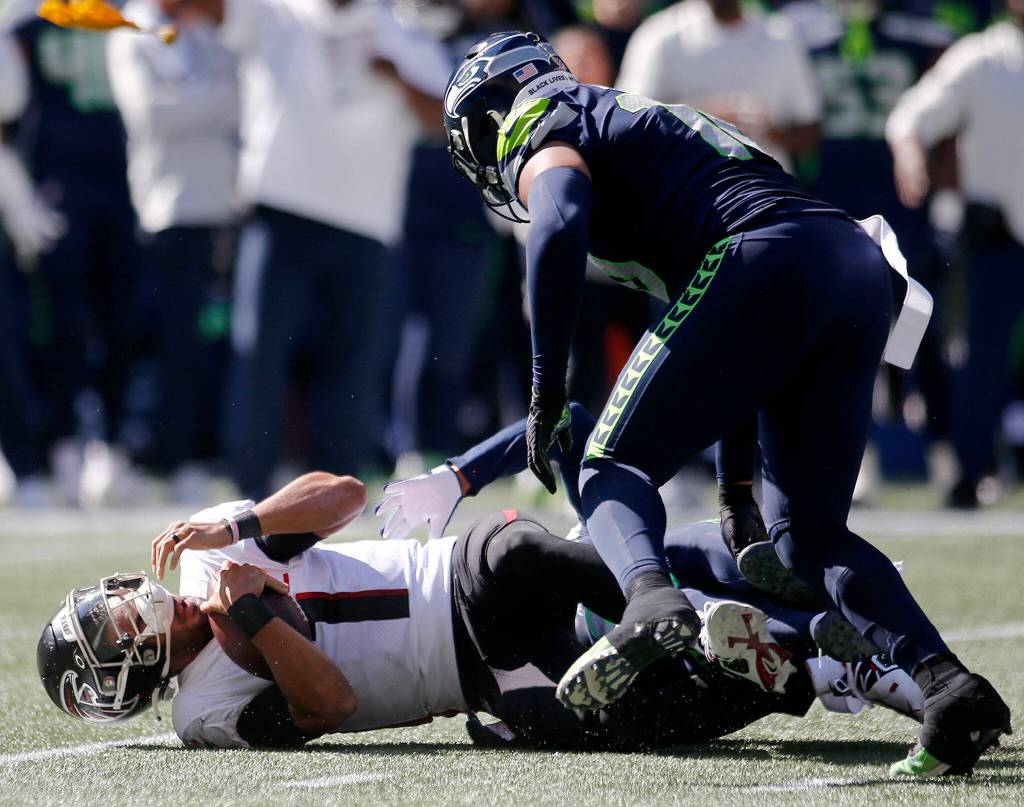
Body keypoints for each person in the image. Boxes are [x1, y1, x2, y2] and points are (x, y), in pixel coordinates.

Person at [441, 31, 1010, 775]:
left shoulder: (541, 115)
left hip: (762, 257)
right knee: (805, 536)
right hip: (849, 263)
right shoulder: (643, 121)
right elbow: (733, 336)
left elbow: (560, 213)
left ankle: (649, 600)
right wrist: (735, 486)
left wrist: (547, 379)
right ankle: (949, 689)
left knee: (612, 460)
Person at [37, 461, 923, 752]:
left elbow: (343, 494)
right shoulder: (205, 713)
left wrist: (246, 519)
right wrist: (253, 616)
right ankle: (806, 668)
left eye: (105, 601)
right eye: (108, 628)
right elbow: (326, 705)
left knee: (527, 547)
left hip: (458, 573)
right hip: (473, 678)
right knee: (608, 725)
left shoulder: (211, 551)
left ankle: (679, 601)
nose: (122, 603)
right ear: (123, 673)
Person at [887, 0, 1024, 509]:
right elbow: (910, 117)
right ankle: (971, 472)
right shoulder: (980, 57)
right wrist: (909, 152)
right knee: (980, 359)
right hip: (997, 235)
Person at [106, 0, 239, 499]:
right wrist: (216, 99)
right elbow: (151, 115)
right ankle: (164, 459)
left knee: (213, 346)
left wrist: (194, 99)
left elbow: (243, 96)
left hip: (226, 206)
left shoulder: (208, 32)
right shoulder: (131, 33)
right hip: (169, 209)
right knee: (170, 345)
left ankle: (201, 456)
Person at [617, 0, 821, 173]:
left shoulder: (780, 36)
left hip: (768, 196)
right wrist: (701, 118)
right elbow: (626, 124)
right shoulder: (658, 36)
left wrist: (771, 133)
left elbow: (809, 129)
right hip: (684, 198)